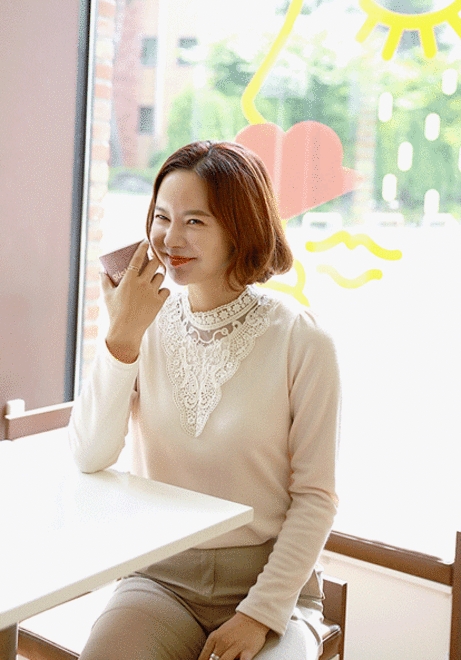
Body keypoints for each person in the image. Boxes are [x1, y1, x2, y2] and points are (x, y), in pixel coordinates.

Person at [69, 140, 340, 660]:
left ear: (241, 228)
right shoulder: (142, 322)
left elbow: (316, 499)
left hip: (271, 587)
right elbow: (89, 455)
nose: (171, 239)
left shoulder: (302, 339)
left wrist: (259, 615)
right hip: (159, 579)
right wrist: (121, 337)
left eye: (195, 221)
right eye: (162, 217)